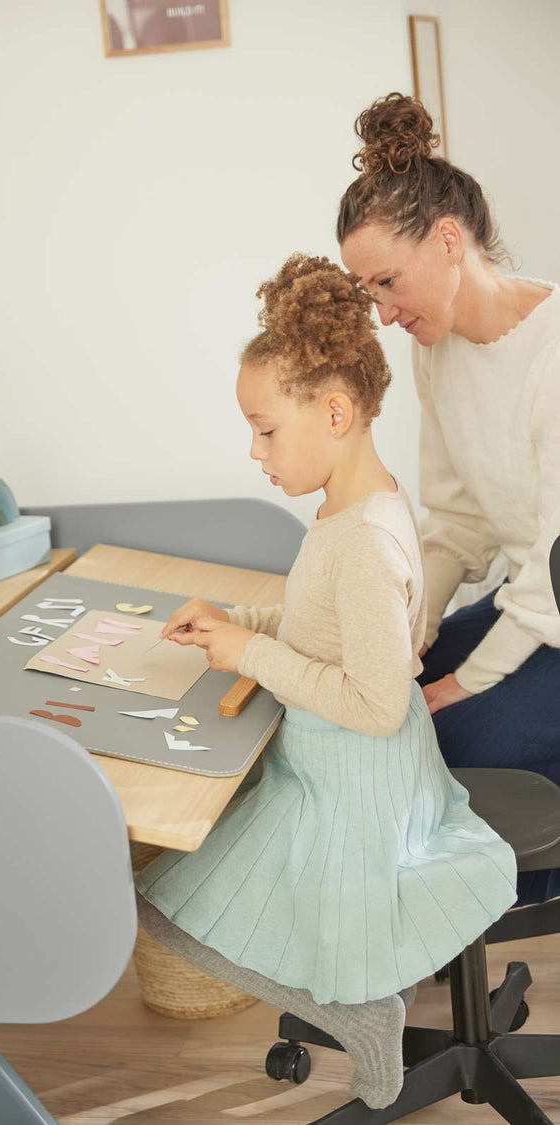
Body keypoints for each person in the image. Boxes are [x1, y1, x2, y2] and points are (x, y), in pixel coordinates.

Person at [135, 253, 517, 1109]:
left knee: (162, 904)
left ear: (335, 412)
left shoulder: (364, 541)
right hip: (334, 768)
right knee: (181, 890)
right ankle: (357, 999)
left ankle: (362, 1016)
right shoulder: (354, 507)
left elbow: (378, 704)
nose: (254, 448)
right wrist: (242, 623)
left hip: (353, 792)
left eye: (266, 428)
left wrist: (250, 655)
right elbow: (326, 632)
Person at [338, 93, 560, 907]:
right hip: (535, 606)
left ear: (449, 239)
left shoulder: (552, 358)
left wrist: (464, 684)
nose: (385, 312)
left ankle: (515, 897)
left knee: (445, 725)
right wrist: (412, 628)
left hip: (554, 605)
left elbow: (550, 566)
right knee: (385, 695)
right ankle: (478, 901)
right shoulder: (438, 353)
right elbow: (459, 523)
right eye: (370, 292)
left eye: (389, 282)